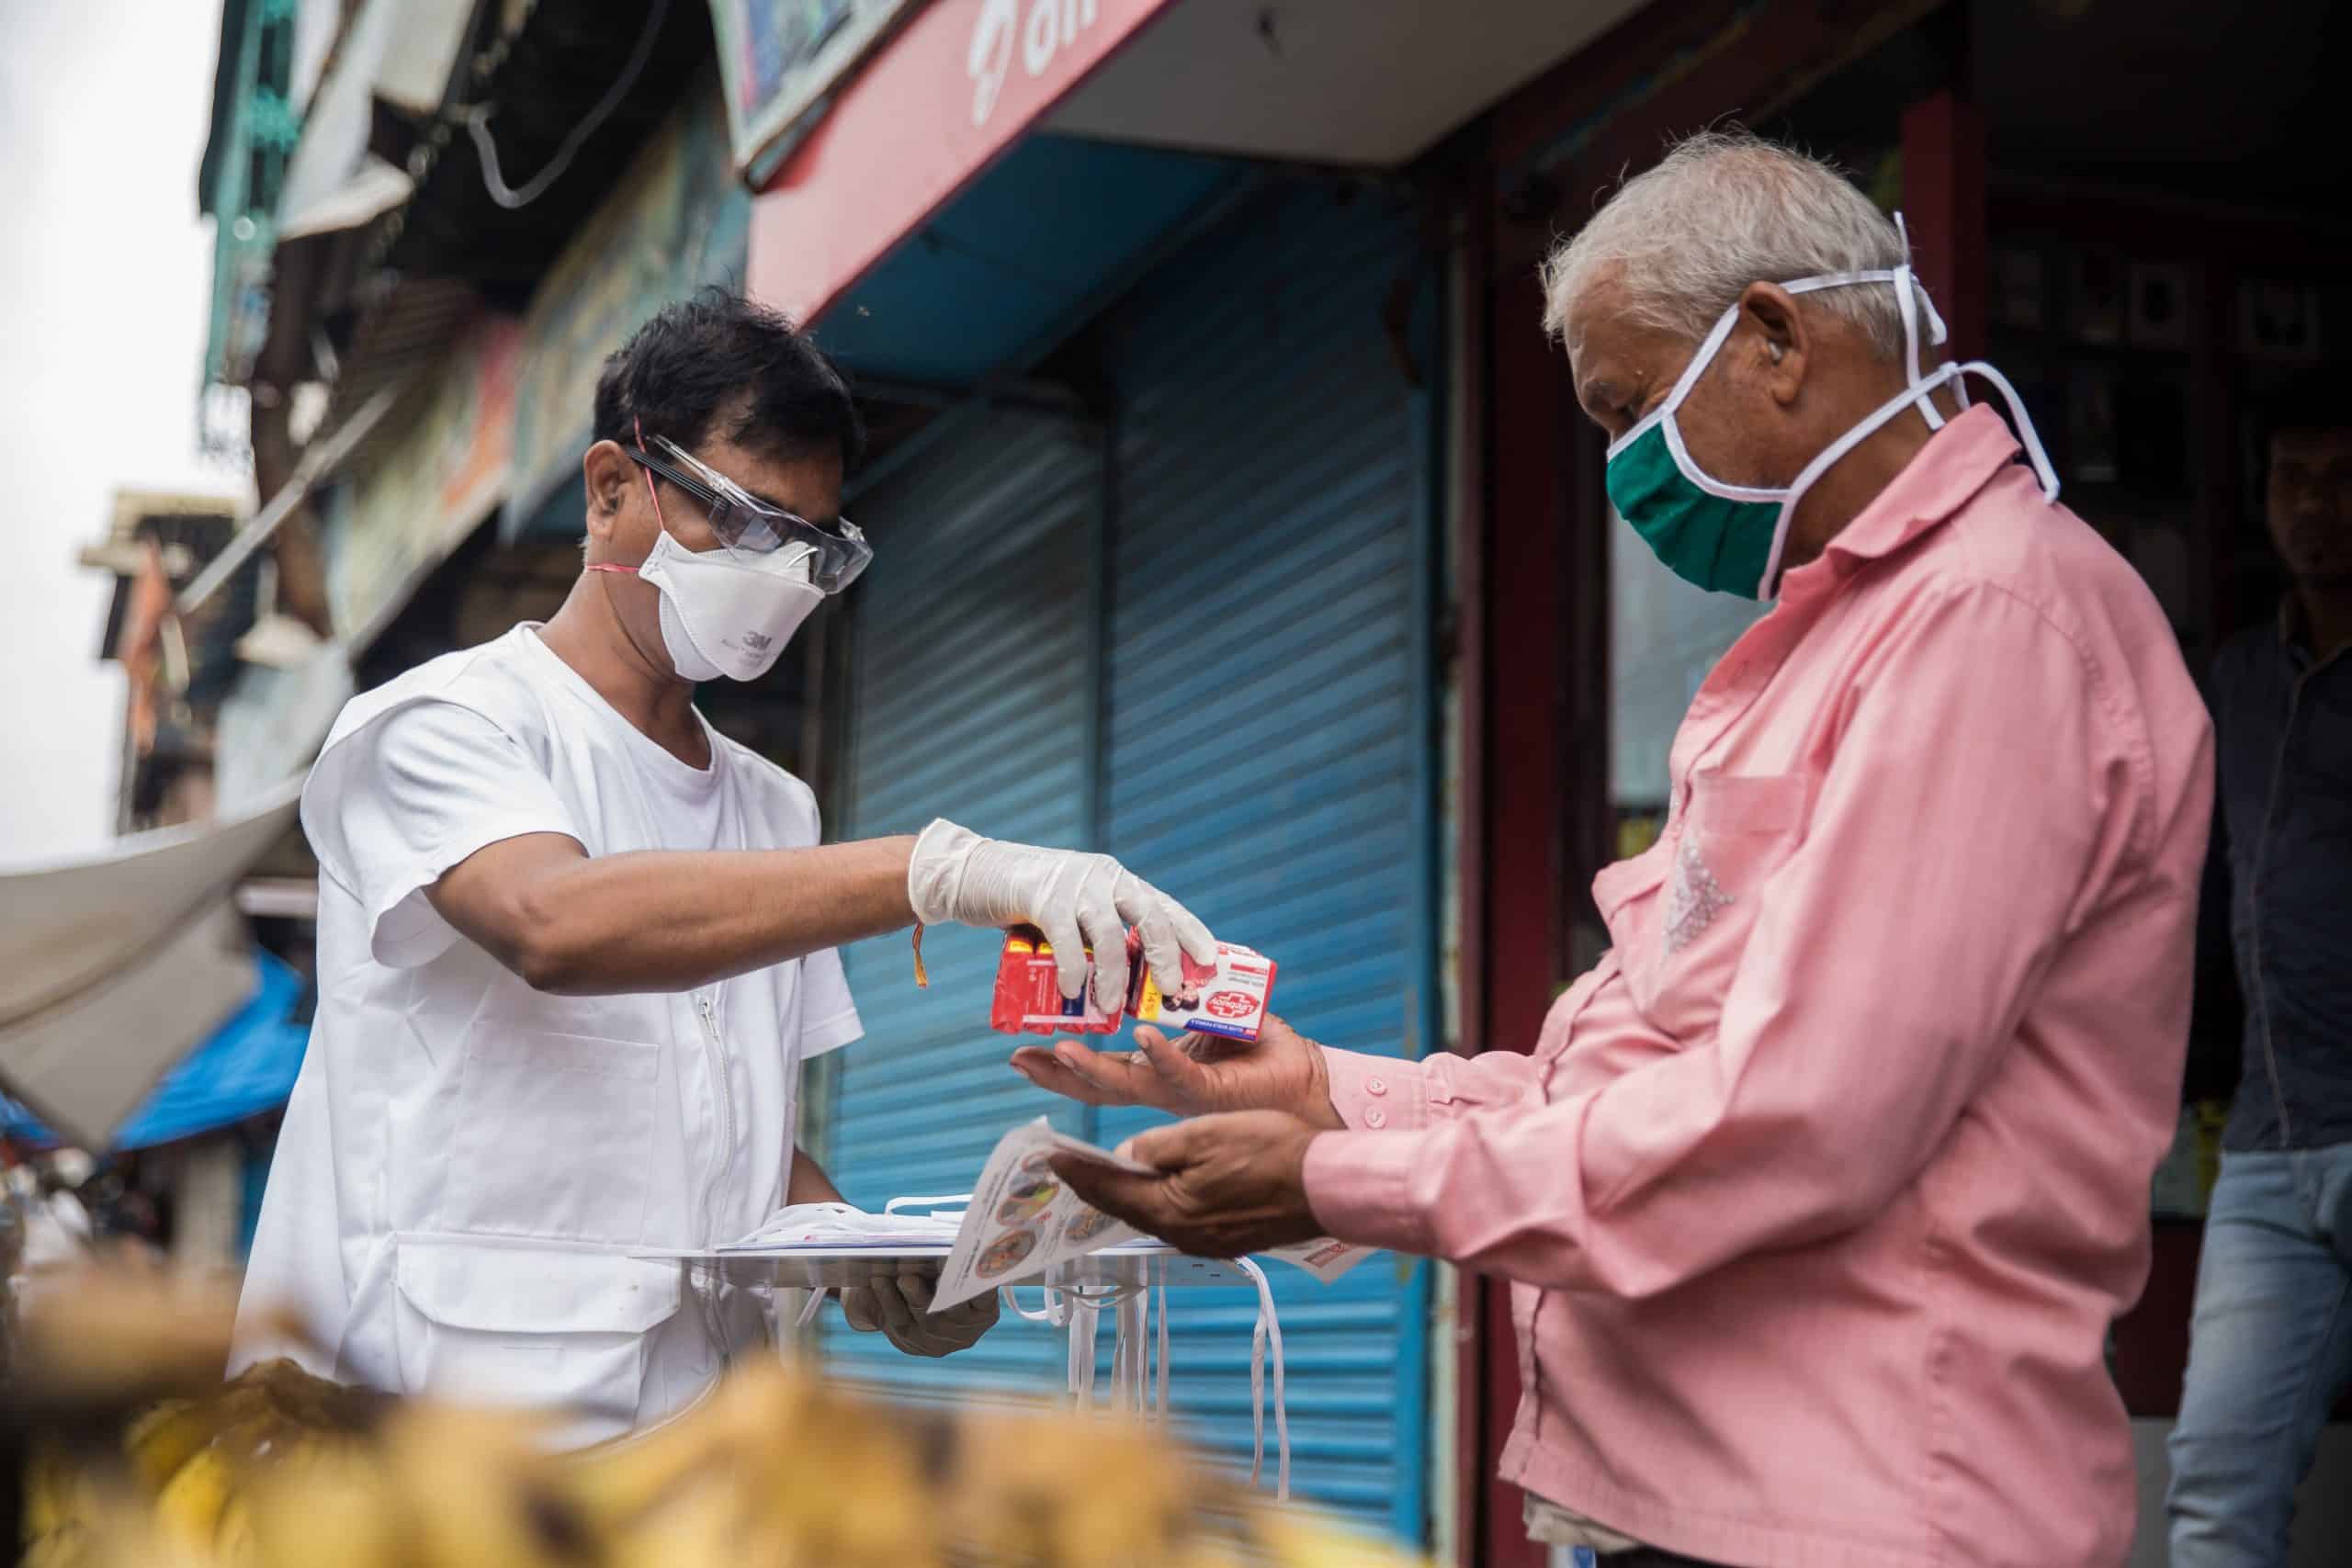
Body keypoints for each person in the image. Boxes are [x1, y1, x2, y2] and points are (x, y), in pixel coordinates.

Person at [1020, 132, 2213, 1568]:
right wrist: (1326, 1091)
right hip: (1715, 1511)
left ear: (1775, 337)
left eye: (1626, 406)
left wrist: (1329, 1181)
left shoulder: (1991, 627)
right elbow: (1648, 1073)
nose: (1622, 470)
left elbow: (1795, 1117)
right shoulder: (1835, 644)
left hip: (1870, 1518)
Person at [232, 291, 1216, 1443]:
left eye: (812, 549)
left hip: (687, 1455)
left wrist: (872, 1258)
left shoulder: (772, 805)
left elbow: (722, 1126)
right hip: (412, 1440)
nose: (779, 577)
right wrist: (930, 870)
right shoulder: (443, 726)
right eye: (744, 523)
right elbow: (553, 924)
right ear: (612, 489)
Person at [2166, 372, 2352, 1566]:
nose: (2315, 507)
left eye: (2343, 481)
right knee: (2216, 1490)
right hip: (2272, 1147)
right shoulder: (2234, 673)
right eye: (2292, 479)